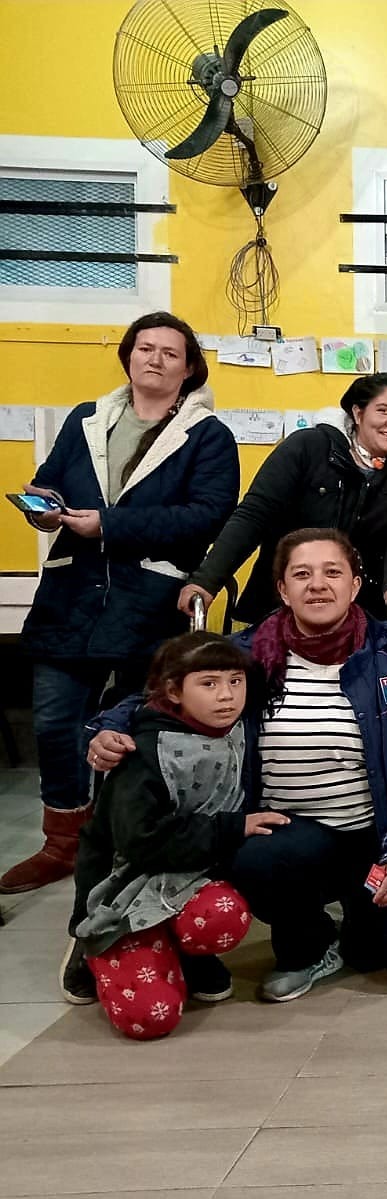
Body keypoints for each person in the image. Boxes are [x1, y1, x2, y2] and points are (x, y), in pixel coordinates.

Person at [87, 528, 387, 999]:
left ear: (355, 585)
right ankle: (308, 943)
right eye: (302, 574)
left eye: (333, 572)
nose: (318, 585)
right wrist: (108, 728)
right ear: (283, 589)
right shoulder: (244, 657)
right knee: (255, 858)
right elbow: (158, 694)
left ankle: (363, 916)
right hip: (290, 836)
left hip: (385, 835)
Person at [4, 311, 238, 896]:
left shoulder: (207, 435)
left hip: (150, 600)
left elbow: (206, 516)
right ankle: (62, 842)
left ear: (189, 369)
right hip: (72, 595)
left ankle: (125, 836)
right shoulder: (86, 419)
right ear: (128, 355)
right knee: (55, 721)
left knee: (139, 725)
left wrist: (109, 525)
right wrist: (44, 506)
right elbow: (50, 480)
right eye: (145, 347)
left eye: (170, 352)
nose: (154, 359)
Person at [60, 633, 283, 1036]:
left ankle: (181, 950)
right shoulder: (144, 752)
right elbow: (140, 843)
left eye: (235, 681)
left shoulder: (239, 725)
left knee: (223, 915)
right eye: (209, 683)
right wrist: (234, 826)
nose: (226, 696)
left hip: (191, 874)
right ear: (174, 691)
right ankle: (94, 942)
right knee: (149, 1018)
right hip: (126, 887)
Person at [179, 373, 387, 628]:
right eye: (383, 411)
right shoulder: (308, 447)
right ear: (358, 413)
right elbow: (253, 516)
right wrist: (207, 581)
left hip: (359, 616)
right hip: (278, 608)